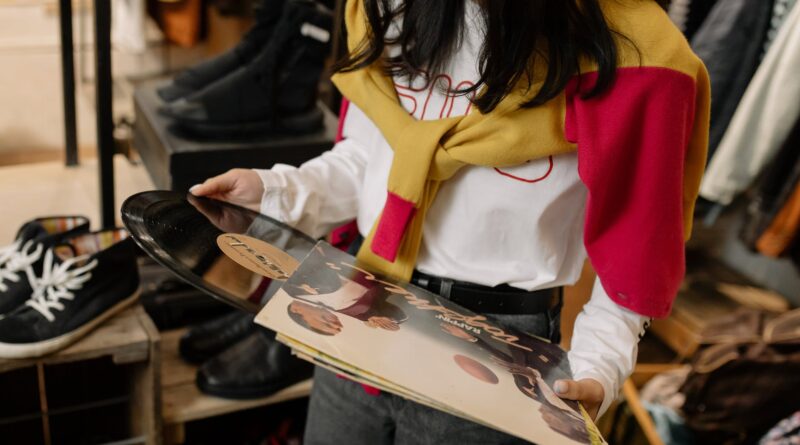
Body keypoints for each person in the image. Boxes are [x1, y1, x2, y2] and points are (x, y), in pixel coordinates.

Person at [191, 0, 709, 442]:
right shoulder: (391, 7)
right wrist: (274, 189)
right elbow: (367, 161)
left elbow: (635, 248)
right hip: (356, 300)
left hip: (493, 344)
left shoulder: (635, 58)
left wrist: (599, 367)